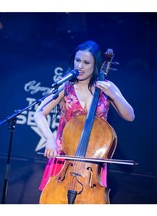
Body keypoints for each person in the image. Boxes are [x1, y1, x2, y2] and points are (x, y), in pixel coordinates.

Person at [34, 40, 135, 196]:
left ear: (95, 64)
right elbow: (39, 113)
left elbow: (130, 116)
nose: (80, 66)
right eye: (77, 60)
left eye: (86, 62)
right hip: (64, 157)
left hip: (92, 162)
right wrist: (49, 139)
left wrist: (114, 95)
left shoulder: (106, 87)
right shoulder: (66, 86)